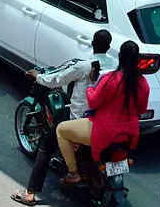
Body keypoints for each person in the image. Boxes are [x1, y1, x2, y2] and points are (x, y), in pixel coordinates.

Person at [11, 30, 117, 207]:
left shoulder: (84, 67)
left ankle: (30, 193)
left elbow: (57, 79)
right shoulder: (116, 65)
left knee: (46, 145)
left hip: (83, 119)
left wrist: (38, 76)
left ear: (93, 44)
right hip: (107, 119)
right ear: (109, 46)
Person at [55, 40, 149, 185]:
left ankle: (73, 173)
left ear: (120, 57)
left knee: (61, 130)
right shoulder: (143, 83)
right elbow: (141, 110)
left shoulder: (110, 79)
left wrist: (91, 85)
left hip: (104, 131)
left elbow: (93, 102)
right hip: (129, 134)